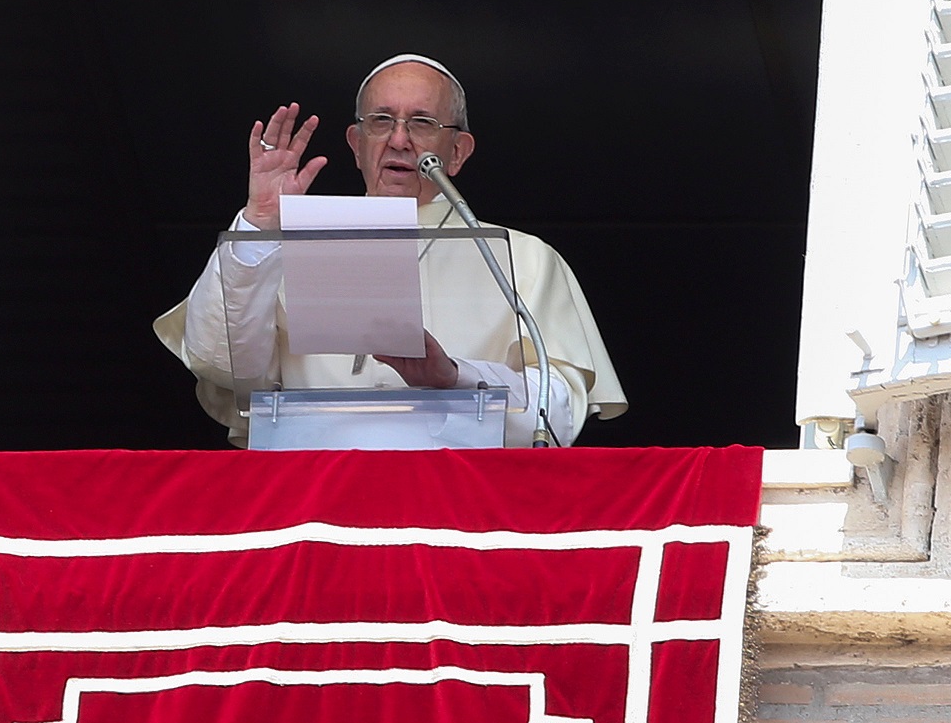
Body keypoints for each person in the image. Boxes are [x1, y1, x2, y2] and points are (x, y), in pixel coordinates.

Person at [153, 53, 626, 446]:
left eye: (421, 121)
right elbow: (220, 364)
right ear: (357, 144)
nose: (399, 139)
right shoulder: (282, 245)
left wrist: (454, 377)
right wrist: (260, 222)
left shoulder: (523, 260)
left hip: (459, 502)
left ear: (458, 151)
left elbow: (558, 414)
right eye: (382, 121)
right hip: (313, 500)